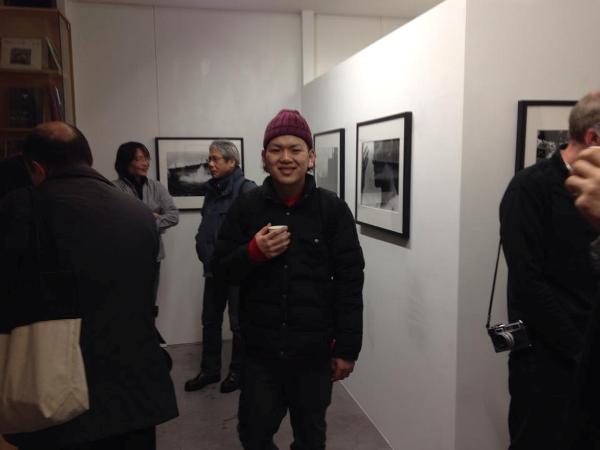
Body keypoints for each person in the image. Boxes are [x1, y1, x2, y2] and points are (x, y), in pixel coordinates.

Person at [0, 122, 178, 450]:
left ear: (36, 168)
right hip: (135, 391)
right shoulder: (137, 213)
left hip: (57, 390)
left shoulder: (19, 208)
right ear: (89, 157)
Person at [212, 109, 365, 450]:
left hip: (313, 355)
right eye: (276, 149)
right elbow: (219, 270)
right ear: (263, 158)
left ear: (311, 157)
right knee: (253, 435)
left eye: (295, 149)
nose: (285, 158)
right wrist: (252, 252)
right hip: (259, 354)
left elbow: (350, 282)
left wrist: (347, 349)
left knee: (310, 439)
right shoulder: (246, 208)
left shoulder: (332, 210)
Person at [499, 92, 600, 449]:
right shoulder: (530, 187)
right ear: (593, 138)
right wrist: (580, 349)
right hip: (545, 361)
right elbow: (528, 283)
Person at [185, 140, 257, 394]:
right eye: (209, 159)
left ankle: (238, 372)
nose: (210, 164)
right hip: (213, 269)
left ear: (232, 162)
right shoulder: (212, 190)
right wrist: (201, 245)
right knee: (210, 321)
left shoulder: (247, 190)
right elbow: (207, 226)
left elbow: (253, 233)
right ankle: (210, 370)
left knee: (238, 324)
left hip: (237, 272)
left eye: (215, 159)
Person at [113, 141, 179, 305]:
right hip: (125, 256)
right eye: (139, 159)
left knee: (149, 302)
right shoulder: (113, 189)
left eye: (147, 158)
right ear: (125, 162)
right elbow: (115, 221)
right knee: (127, 302)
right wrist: (150, 217)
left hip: (153, 255)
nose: (146, 163)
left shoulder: (157, 187)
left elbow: (173, 216)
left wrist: (142, 221)